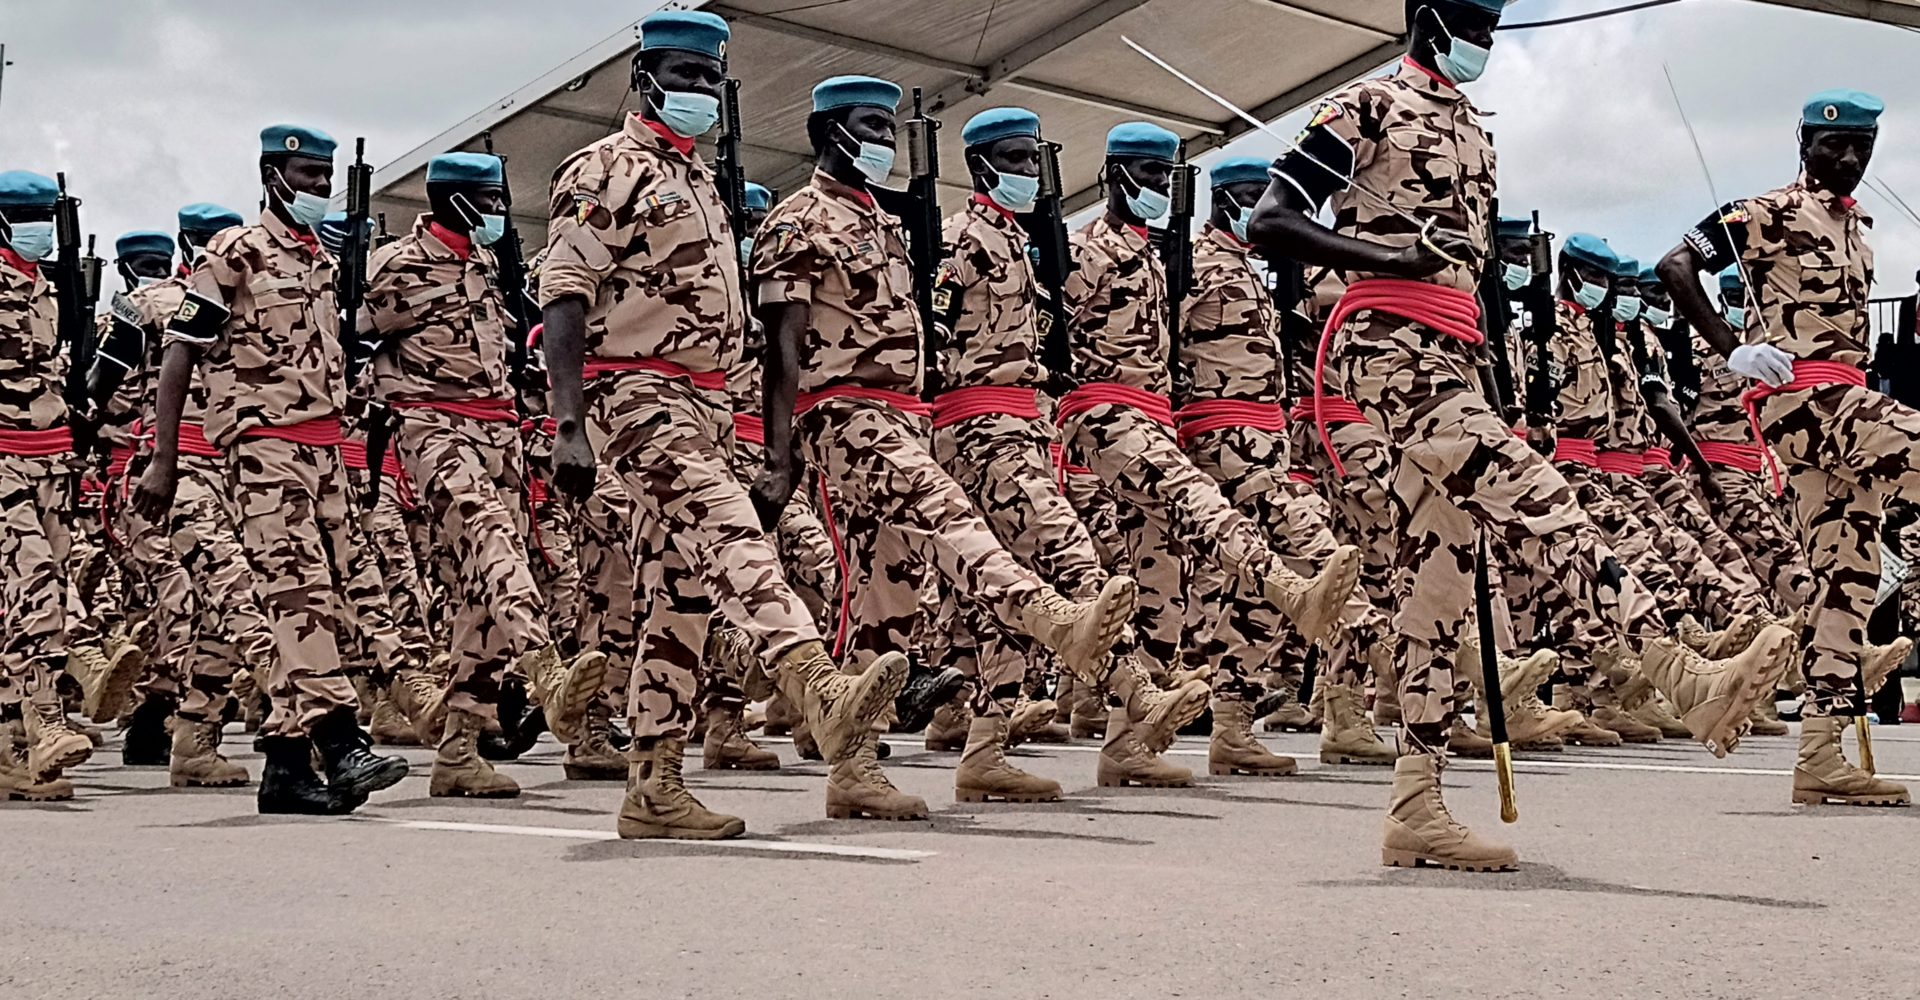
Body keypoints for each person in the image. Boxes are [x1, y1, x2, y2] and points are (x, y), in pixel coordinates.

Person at [1250, 0, 1795, 870]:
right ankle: (1681, 672)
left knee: (1437, 585)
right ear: (1426, 18)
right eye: (1470, 20)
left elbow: (1484, 290)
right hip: (1385, 347)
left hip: (1456, 353)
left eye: (1494, 26)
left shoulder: (1475, 129)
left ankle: (1414, 805)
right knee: (1542, 497)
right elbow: (1270, 220)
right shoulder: (1365, 106)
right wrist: (1388, 256)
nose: (1484, 42)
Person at [543, 15, 910, 838]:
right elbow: (564, 295)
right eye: (683, 74)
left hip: (706, 406)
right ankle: (818, 685)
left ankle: (652, 786)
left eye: (711, 79)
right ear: (644, 77)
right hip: (634, 397)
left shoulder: (701, 180)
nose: (699, 91)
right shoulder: (604, 167)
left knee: (677, 601)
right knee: (732, 526)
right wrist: (569, 422)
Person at [750, 75, 1138, 818]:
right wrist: (781, 454)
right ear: (827, 132)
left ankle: (853, 767)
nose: (881, 142)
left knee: (884, 602)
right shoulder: (800, 219)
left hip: (906, 415)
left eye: (889, 128)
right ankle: (1052, 617)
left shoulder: (884, 225)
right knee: (945, 510)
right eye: (869, 125)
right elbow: (782, 347)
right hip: (845, 414)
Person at [1058, 122, 1362, 788]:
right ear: (1115, 174)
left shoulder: (1172, 260)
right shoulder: (1093, 250)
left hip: (1174, 423)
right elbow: (1054, 326)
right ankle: (1317, 608)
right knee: (1215, 515)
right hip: (1114, 417)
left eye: (1168, 178)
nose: (1159, 188)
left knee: (1162, 589)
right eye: (1149, 174)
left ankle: (1132, 743)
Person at [928, 107, 1212, 803]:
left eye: (1034, 159)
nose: (1028, 172)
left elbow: (1055, 348)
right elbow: (935, 345)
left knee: (1025, 599)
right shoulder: (961, 241)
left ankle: (990, 749)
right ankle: (1135, 700)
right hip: (981, 430)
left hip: (1028, 428)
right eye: (1016, 160)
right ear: (983, 165)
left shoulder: (1028, 249)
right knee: (1071, 560)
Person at [134, 125, 410, 816]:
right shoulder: (235, 253)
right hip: (262, 449)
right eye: (306, 174)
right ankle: (343, 741)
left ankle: (287, 768)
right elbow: (180, 356)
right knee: (299, 594)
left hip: (322, 451)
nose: (317, 187)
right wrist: (165, 460)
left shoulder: (319, 260)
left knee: (336, 600)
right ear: (270, 174)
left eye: (325, 177)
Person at [1656, 88, 1916, 807]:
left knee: (1848, 575)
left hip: (1844, 407)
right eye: (1834, 144)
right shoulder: (1764, 211)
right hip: (1809, 400)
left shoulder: (1858, 233)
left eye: (1862, 145)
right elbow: (1675, 266)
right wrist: (1732, 349)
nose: (1850, 157)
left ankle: (1821, 754)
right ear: (1804, 144)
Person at [362, 151, 609, 798]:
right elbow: (345, 347)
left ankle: (459, 751)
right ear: (456, 200)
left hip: (497, 435)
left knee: (479, 598)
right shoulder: (397, 268)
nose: (501, 213)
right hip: (432, 433)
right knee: (492, 541)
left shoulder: (485, 267)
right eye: (491, 202)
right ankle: (545, 672)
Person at [1175, 156, 1395, 770]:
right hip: (1219, 440)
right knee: (1319, 557)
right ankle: (1397, 660)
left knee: (1271, 593)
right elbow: (1161, 348)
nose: (1265, 208)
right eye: (1252, 197)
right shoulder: (1191, 264)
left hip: (1272, 440)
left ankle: (1238, 725)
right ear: (1221, 200)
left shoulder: (1262, 271)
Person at [92, 211, 264, 786]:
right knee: (214, 595)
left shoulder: (248, 299)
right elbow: (98, 389)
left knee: (207, 606)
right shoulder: (154, 307)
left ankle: (188, 731)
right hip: (175, 466)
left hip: (235, 466)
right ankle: (310, 717)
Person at [0, 170, 139, 801]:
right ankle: (50, 720)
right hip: (2, 457)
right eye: (21, 215)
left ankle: (12, 750)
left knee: (34, 595)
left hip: (51, 458)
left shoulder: (43, 285)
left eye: (41, 216)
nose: (34, 229)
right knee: (34, 585)